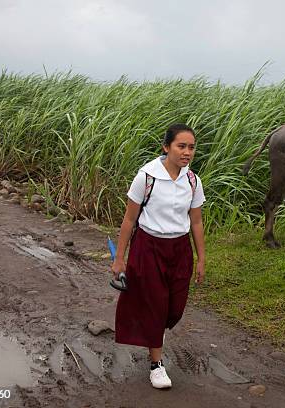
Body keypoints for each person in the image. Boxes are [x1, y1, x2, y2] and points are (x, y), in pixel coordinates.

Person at [111, 123, 206, 389]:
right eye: (181, 146)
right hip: (148, 247)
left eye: (191, 147)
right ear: (166, 147)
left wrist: (201, 258)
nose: (187, 152)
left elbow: (196, 222)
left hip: (179, 250)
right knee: (155, 305)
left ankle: (155, 333)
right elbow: (129, 220)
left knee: (174, 308)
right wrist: (120, 259)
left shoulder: (192, 180)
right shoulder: (147, 177)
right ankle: (156, 365)